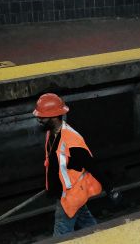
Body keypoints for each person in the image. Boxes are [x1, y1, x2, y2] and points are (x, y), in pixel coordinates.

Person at [33, 93, 121, 236]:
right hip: (68, 193)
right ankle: (98, 238)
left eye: (42, 117)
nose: (39, 119)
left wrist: (110, 189)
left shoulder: (72, 141)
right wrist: (50, 186)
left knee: (61, 235)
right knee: (87, 224)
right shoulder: (52, 133)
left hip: (69, 195)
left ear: (54, 116)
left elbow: (92, 166)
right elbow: (54, 164)